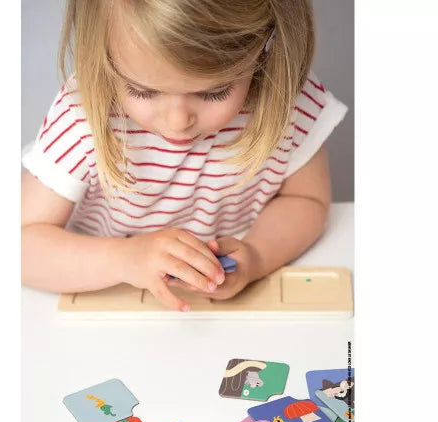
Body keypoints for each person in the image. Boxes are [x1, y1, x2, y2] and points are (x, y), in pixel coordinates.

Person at [21, 0, 348, 311]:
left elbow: (306, 199)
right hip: (107, 292)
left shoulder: (284, 99)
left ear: (263, 47)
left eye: (214, 92)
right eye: (143, 90)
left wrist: (257, 255)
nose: (178, 121)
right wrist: (125, 259)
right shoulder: (84, 118)